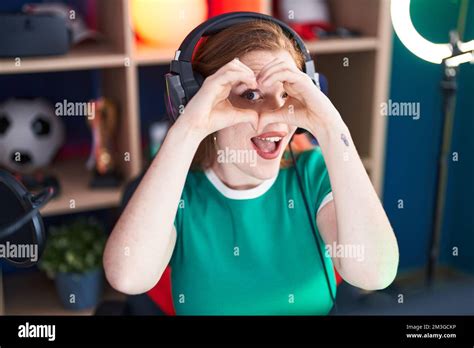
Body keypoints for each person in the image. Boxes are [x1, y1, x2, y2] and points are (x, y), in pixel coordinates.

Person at [103, 19, 399, 315]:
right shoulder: (178, 194)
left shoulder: (313, 174)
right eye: (249, 95)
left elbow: (375, 273)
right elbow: (128, 276)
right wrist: (188, 128)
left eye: (287, 95)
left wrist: (333, 130)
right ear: (197, 100)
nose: (275, 117)